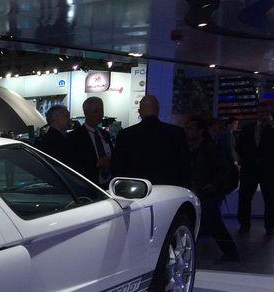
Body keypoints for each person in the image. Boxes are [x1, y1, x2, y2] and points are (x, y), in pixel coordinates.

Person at [185, 117, 239, 262]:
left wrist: (214, 184)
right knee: (212, 222)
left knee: (214, 223)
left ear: (200, 131)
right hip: (204, 190)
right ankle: (230, 252)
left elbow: (224, 167)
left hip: (209, 192)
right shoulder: (199, 147)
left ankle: (231, 252)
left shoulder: (208, 147)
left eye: (191, 129)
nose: (188, 131)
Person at [111, 95, 191, 189]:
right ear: (158, 110)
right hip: (169, 190)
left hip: (136, 191)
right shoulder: (176, 133)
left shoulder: (125, 135)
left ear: (139, 111)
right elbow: (185, 167)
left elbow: (118, 168)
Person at [235, 105, 274, 234]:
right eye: (261, 112)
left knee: (270, 198)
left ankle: (270, 226)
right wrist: (247, 158)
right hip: (249, 168)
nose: (263, 114)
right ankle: (244, 224)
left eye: (266, 112)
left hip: (268, 169)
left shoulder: (272, 128)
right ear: (257, 113)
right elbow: (239, 146)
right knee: (245, 197)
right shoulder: (247, 128)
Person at [68, 97, 113, 185]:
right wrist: (96, 163)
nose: (100, 114)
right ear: (86, 113)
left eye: (101, 111)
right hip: (88, 184)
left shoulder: (105, 134)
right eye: (95, 111)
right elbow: (73, 164)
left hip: (109, 182)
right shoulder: (75, 136)